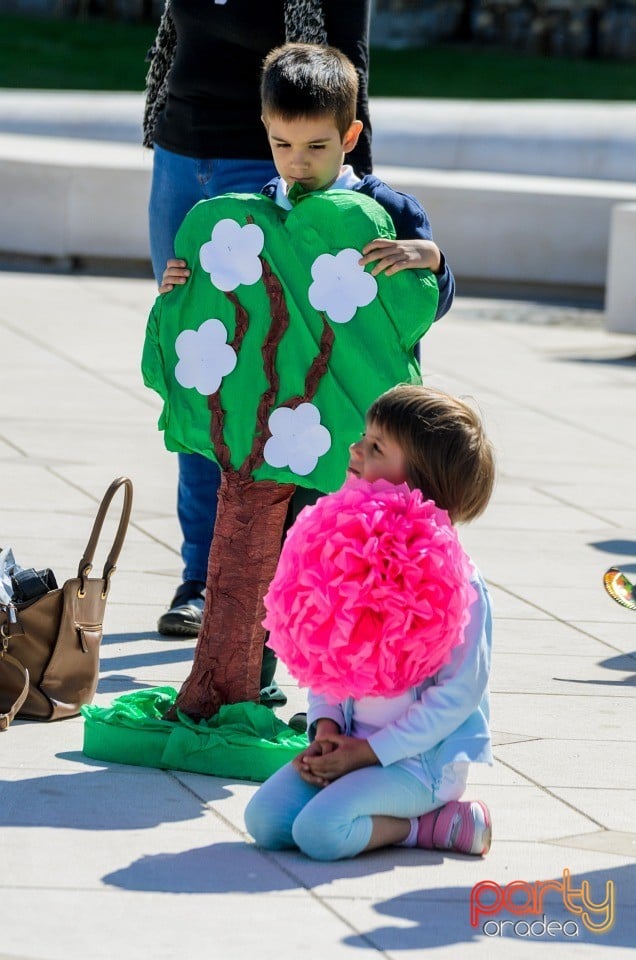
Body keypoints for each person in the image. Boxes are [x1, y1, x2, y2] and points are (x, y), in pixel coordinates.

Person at [144, 1, 374, 646]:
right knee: (201, 366)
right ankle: (200, 579)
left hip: (267, 163)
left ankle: (276, 579)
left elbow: (346, 68)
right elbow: (169, 46)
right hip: (180, 156)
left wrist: (355, 204)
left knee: (263, 378)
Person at [243, 384, 495, 861]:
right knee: (266, 822)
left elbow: (460, 695)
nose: (356, 448)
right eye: (364, 437)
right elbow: (329, 658)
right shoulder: (347, 548)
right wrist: (326, 729)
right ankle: (381, 802)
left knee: (321, 833)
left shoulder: (459, 580)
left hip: (419, 764)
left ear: (421, 481)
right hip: (352, 746)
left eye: (376, 446)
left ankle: (433, 824)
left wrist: (368, 753)